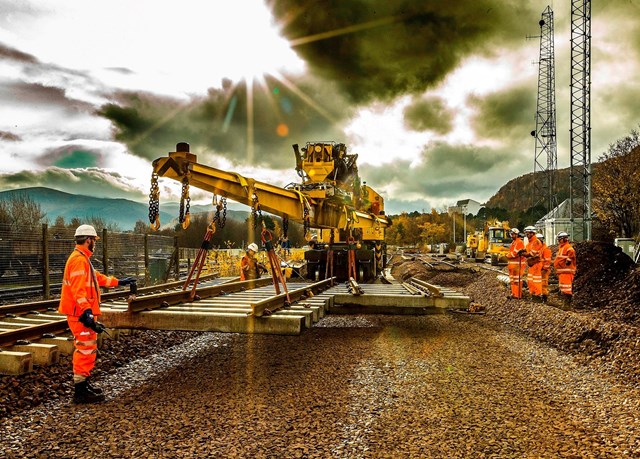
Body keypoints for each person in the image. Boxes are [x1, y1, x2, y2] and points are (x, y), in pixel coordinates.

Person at [58, 224, 135, 404]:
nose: (95, 244)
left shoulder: (83, 258)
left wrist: (119, 282)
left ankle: (83, 384)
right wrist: (86, 313)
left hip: (80, 312)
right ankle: (80, 391)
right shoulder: (78, 260)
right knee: (85, 349)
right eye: (94, 240)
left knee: (88, 348)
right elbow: (78, 290)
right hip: (79, 313)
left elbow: (96, 278)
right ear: (88, 240)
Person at [522, 226, 545, 302]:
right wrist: (523, 250)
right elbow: (527, 249)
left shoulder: (536, 242)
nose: (526, 235)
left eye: (527, 233)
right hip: (531, 264)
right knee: (530, 280)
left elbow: (532, 253)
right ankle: (533, 294)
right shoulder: (530, 243)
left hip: (536, 263)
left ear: (532, 233)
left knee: (536, 280)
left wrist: (524, 254)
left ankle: (538, 295)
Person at [553, 231, 577, 305]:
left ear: (564, 239)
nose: (558, 241)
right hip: (563, 272)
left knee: (566, 288)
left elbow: (571, 252)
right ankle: (565, 303)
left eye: (559, 239)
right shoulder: (562, 247)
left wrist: (569, 260)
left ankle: (567, 304)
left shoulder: (567, 247)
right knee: (563, 287)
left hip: (567, 272)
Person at [505, 227, 526, 299]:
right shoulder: (513, 243)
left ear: (517, 235)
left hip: (517, 265)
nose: (512, 236)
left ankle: (518, 295)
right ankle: (514, 293)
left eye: (513, 234)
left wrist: (507, 255)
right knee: (513, 280)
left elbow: (515, 253)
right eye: (511, 234)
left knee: (517, 281)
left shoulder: (519, 242)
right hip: (513, 265)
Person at [537, 233, 552, 302]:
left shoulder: (545, 249)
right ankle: (540, 296)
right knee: (539, 283)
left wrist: (544, 268)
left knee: (543, 284)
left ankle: (544, 298)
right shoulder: (538, 248)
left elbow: (547, 260)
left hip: (543, 270)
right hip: (539, 269)